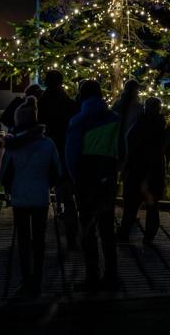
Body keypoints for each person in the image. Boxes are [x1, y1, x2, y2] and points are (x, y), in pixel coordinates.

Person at [0, 96, 61, 298]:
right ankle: (38, 279)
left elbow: (4, 174)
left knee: (23, 239)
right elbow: (56, 171)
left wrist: (10, 189)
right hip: (40, 196)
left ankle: (26, 278)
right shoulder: (47, 144)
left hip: (20, 197)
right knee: (39, 240)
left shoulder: (12, 145)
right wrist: (47, 185)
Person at [65, 79, 121, 293]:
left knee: (88, 228)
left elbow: (71, 155)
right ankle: (112, 275)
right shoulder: (115, 119)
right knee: (107, 229)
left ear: (82, 96)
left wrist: (75, 178)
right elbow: (122, 149)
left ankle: (92, 276)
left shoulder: (78, 121)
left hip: (86, 178)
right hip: (107, 177)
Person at [119, 96, 170, 246]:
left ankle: (125, 232)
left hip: (138, 168)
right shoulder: (164, 126)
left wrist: (126, 166)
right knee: (152, 204)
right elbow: (168, 150)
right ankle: (149, 235)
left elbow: (129, 143)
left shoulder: (139, 124)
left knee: (131, 204)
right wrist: (164, 165)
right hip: (154, 170)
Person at [38, 70, 79, 248]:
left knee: (42, 191)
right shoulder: (68, 103)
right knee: (67, 193)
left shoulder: (41, 102)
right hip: (64, 148)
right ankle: (72, 234)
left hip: (46, 149)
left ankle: (39, 236)